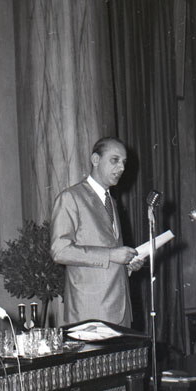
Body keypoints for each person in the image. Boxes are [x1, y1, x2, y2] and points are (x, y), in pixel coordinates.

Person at [50, 137, 144, 326]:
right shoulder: (70, 198)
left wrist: (127, 264)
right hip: (90, 311)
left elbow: (108, 253)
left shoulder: (111, 202)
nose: (121, 168)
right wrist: (111, 255)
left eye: (124, 162)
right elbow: (60, 251)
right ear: (95, 159)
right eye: (115, 160)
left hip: (121, 310)